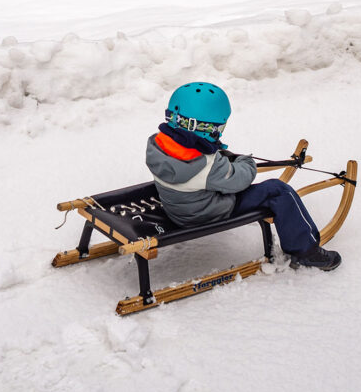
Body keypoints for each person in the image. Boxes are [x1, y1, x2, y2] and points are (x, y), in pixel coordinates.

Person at [146, 81, 341, 271]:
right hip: (207, 214)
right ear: (204, 127)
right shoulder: (208, 167)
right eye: (218, 128)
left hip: (179, 208)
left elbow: (199, 159)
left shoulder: (156, 144)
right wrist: (244, 162)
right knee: (279, 191)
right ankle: (306, 251)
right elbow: (242, 179)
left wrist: (215, 152)